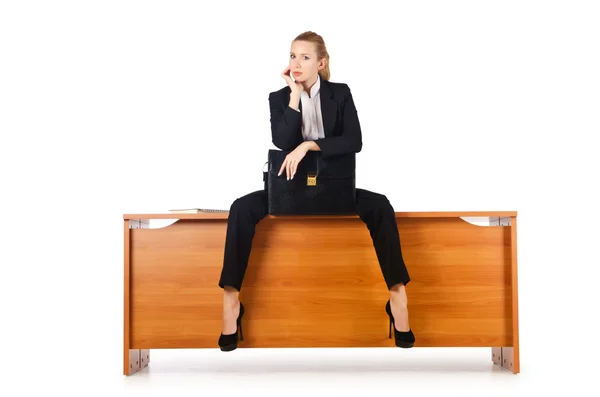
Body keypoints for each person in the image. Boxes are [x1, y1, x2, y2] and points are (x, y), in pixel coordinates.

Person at [217, 31, 415, 352]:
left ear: (321, 63)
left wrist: (311, 144)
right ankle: (231, 301)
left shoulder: (340, 93)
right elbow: (282, 143)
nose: (296, 63)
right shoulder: (279, 98)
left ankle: (397, 297)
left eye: (305, 57)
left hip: (333, 188)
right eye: (293, 56)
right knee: (241, 208)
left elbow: (354, 142)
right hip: (288, 190)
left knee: (380, 206)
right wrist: (294, 96)